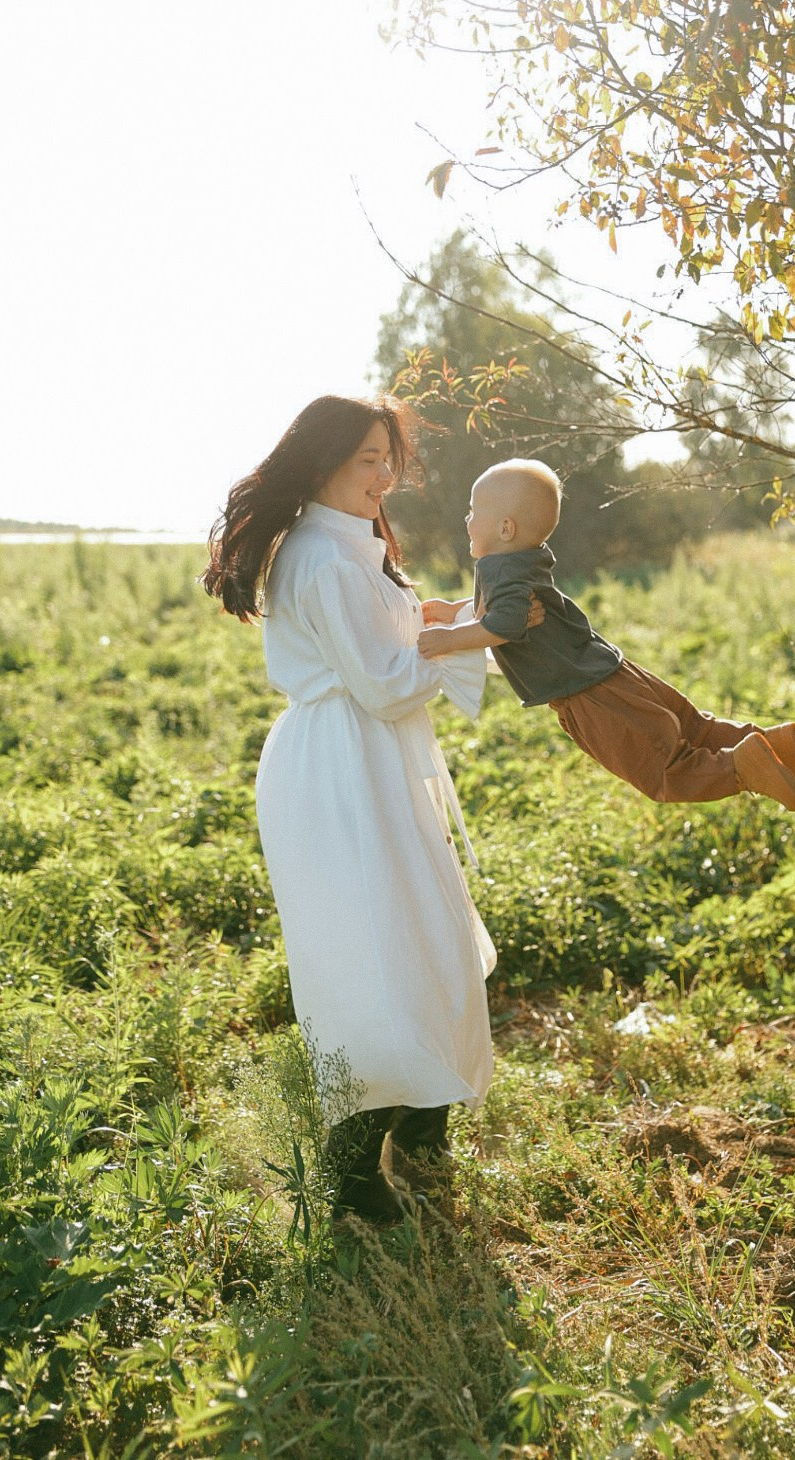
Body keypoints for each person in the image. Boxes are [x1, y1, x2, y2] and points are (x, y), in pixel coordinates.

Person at [202, 396, 499, 1225]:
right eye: (369, 457)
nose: (386, 475)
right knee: (375, 956)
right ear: (324, 459)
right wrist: (478, 638)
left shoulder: (344, 548)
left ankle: (422, 1132)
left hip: (363, 756)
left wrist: (441, 621)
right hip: (339, 764)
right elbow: (382, 680)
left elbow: (387, 641)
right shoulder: (325, 558)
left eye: (389, 458)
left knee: (428, 937)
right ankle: (351, 1176)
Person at [417, 459, 795, 812]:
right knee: (695, 729)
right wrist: (457, 611)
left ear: (505, 528)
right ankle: (775, 743)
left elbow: (503, 624)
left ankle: (742, 767)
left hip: (588, 695)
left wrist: (450, 638)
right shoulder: (523, 563)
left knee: (664, 773)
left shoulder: (498, 569)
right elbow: (503, 609)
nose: (467, 520)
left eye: (473, 511)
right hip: (612, 669)